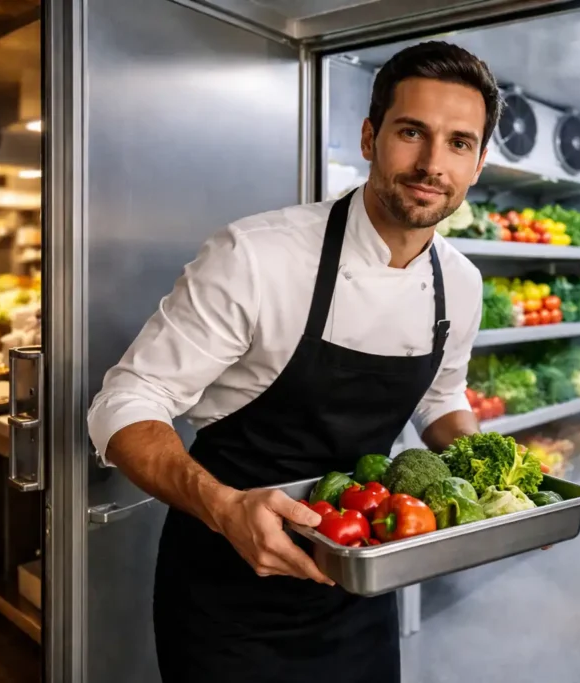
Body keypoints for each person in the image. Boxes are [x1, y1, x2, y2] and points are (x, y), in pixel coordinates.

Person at [87, 40, 503, 683]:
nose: (430, 164)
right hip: (228, 592)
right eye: (411, 132)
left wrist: (493, 486)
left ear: (477, 163)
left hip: (360, 576)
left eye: (458, 143)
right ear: (370, 137)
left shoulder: (462, 284)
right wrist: (225, 508)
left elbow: (440, 397)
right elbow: (125, 402)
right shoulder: (257, 255)